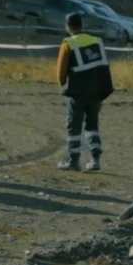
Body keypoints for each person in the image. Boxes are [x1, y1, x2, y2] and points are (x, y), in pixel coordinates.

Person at [55, 12, 113, 171]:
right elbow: (104, 67)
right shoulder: (97, 41)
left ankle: (73, 161)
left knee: (74, 126)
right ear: (82, 25)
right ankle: (95, 160)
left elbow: (61, 70)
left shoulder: (68, 43)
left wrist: (62, 85)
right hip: (96, 92)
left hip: (77, 92)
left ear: (68, 27)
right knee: (92, 126)